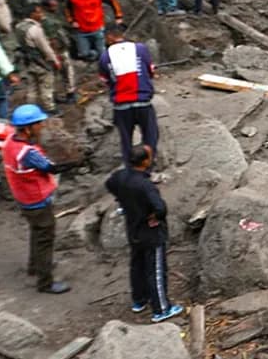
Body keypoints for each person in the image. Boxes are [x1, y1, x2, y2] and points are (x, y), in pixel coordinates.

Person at [105, 145, 182, 321]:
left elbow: (109, 184)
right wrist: (155, 216)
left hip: (133, 228)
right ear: (145, 161)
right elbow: (160, 208)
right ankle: (161, 309)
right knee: (156, 270)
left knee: (137, 265)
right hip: (151, 232)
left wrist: (123, 201)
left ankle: (139, 300)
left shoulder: (120, 176)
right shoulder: (145, 185)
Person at [1, 105, 71, 293]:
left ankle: (35, 266)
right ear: (28, 128)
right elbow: (50, 167)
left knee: (36, 231)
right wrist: (70, 164)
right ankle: (45, 282)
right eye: (38, 124)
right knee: (45, 238)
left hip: (23, 198)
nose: (42, 126)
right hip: (37, 200)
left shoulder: (10, 142)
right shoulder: (27, 153)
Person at [98, 30, 158, 163]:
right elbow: (151, 71)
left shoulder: (105, 56)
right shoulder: (140, 49)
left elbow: (105, 80)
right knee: (150, 136)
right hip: (142, 101)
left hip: (121, 105)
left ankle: (130, 167)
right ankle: (148, 165)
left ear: (109, 37)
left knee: (126, 141)